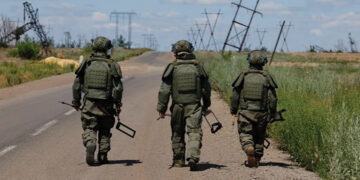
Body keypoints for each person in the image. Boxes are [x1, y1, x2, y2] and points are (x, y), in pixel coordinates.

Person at [157, 40, 211, 171]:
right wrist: (206, 104)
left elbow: (164, 91)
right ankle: (192, 156)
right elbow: (205, 89)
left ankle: (178, 160)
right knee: (194, 132)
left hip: (177, 107)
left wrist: (161, 109)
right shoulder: (198, 67)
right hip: (194, 106)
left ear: (175, 52)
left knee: (177, 132)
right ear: (190, 50)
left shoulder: (172, 67)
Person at [72, 36, 123, 166]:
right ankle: (103, 154)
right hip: (106, 104)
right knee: (105, 129)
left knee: (90, 126)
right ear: (107, 48)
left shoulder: (87, 63)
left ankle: (90, 142)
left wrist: (76, 102)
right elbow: (118, 88)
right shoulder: (112, 65)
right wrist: (117, 104)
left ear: (94, 47)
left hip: (89, 103)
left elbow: (77, 85)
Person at [230, 50, 278, 168]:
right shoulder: (267, 77)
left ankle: (248, 148)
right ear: (264, 62)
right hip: (261, 114)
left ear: (249, 61)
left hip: (245, 112)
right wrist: (272, 113)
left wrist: (233, 111)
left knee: (245, 134)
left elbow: (235, 96)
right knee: (260, 136)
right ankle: (257, 158)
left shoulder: (243, 75)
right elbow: (273, 99)